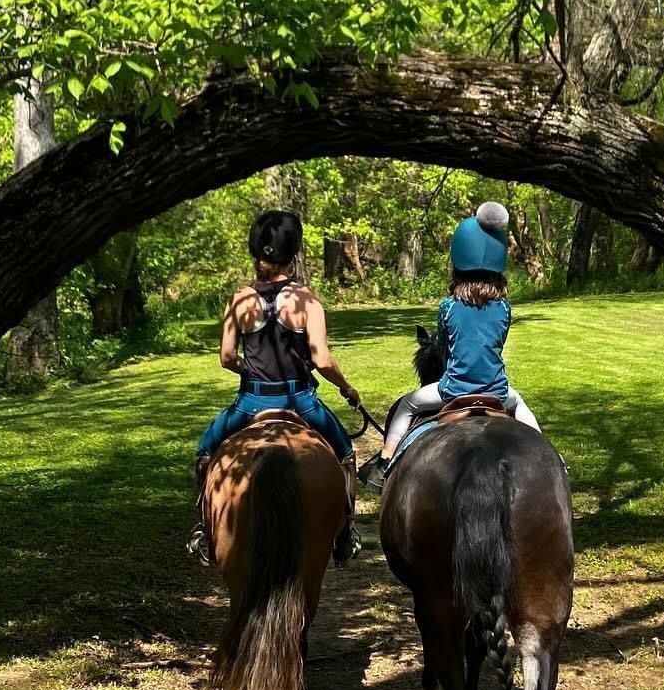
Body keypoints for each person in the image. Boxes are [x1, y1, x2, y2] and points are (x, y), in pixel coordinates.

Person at [188, 209, 362, 566]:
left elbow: (225, 356)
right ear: (293, 252)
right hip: (301, 401)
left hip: (251, 402)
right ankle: (345, 534)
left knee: (206, 450)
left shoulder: (239, 299)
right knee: (345, 454)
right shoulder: (307, 300)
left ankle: (205, 531)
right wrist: (347, 389)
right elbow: (323, 360)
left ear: (256, 251)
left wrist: (245, 370)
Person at [364, 201, 539, 483]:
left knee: (407, 405)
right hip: (497, 392)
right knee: (521, 407)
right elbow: (498, 344)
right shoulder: (504, 307)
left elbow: (444, 351)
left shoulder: (449, 306)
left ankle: (385, 461)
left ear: (458, 262)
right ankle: (553, 462)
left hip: (453, 390)